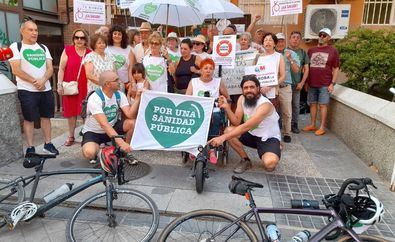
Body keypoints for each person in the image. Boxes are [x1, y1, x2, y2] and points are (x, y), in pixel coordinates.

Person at [209, 75, 281, 174]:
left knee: (270, 164)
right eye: (245, 88)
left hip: (267, 138)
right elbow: (236, 122)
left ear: (258, 88)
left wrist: (222, 138)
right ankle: (246, 160)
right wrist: (227, 107)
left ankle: (275, 146)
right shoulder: (242, 99)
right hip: (251, 134)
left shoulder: (265, 105)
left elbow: (246, 126)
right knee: (229, 130)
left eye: (252, 87)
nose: (248, 90)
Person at [9, 17, 59, 156]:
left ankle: (48, 144)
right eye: (30, 30)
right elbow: (16, 69)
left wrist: (43, 80)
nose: (34, 33)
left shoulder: (43, 48)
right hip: (27, 90)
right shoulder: (16, 46)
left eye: (36, 30)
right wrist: (35, 81)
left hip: (45, 89)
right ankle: (30, 147)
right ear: (22, 31)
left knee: (46, 117)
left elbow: (50, 68)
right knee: (29, 118)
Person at [81, 71, 141, 164]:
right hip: (94, 132)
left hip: (112, 128)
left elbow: (130, 114)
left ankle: (124, 152)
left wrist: (137, 98)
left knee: (132, 123)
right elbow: (104, 124)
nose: (119, 81)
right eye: (116, 80)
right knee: (89, 153)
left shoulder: (119, 95)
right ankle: (102, 150)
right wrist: (121, 142)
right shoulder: (95, 98)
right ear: (108, 84)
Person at [186, 58, 230, 164]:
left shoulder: (218, 82)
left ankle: (212, 148)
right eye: (205, 68)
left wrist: (222, 99)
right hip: (197, 110)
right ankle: (194, 146)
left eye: (211, 68)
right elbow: (187, 97)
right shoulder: (194, 82)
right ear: (200, 70)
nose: (208, 70)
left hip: (214, 110)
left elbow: (227, 97)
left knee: (215, 117)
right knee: (194, 118)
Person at [57, 28, 91, 146]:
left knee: (85, 112)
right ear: (73, 39)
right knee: (71, 113)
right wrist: (59, 84)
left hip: (85, 87)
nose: (79, 40)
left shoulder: (90, 53)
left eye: (82, 38)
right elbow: (61, 68)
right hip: (70, 86)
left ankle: (86, 135)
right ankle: (71, 135)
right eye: (77, 37)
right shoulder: (68, 50)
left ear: (86, 40)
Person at [303, 28, 339, 136]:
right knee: (312, 104)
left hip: (325, 84)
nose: (321, 37)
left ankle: (322, 127)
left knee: (323, 105)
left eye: (324, 35)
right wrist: (306, 82)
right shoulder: (311, 50)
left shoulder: (333, 51)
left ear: (329, 38)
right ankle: (313, 124)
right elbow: (306, 67)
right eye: (320, 35)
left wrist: (332, 83)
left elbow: (336, 68)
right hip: (312, 83)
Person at [275, 33, 300, 143]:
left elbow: (296, 70)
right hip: (272, 87)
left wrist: (290, 59)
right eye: (278, 41)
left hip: (285, 87)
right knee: (271, 111)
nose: (280, 43)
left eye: (282, 41)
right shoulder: (270, 54)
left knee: (286, 111)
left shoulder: (291, 53)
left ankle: (286, 133)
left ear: (285, 42)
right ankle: (273, 133)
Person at [253, 33, 286, 109]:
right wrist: (258, 88)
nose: (268, 42)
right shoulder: (258, 56)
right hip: (258, 92)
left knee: (271, 116)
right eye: (265, 40)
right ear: (263, 44)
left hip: (273, 92)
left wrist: (269, 87)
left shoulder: (279, 56)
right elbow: (253, 73)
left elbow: (283, 76)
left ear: (274, 44)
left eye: (270, 40)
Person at [287, 31, 310, 134]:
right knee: (284, 106)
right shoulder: (284, 51)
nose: (295, 39)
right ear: (290, 39)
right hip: (285, 84)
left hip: (296, 84)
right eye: (293, 37)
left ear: (300, 40)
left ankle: (294, 124)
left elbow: (306, 69)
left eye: (297, 37)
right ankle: (283, 125)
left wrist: (302, 82)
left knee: (295, 105)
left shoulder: (303, 52)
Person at [106, 25, 135, 92]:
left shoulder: (129, 49)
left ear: (123, 36)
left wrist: (132, 83)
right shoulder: (106, 49)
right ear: (111, 35)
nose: (117, 36)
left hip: (126, 84)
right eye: (115, 33)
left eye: (119, 34)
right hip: (110, 83)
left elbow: (130, 69)